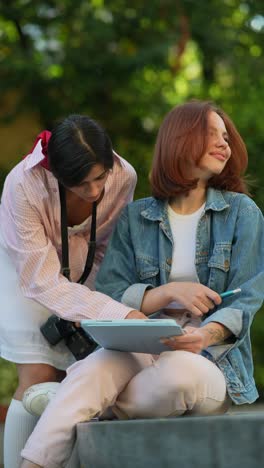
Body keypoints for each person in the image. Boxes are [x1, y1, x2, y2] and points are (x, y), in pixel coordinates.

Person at [20, 100, 264, 468]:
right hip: (141, 352)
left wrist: (205, 335)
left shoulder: (242, 213)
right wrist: (163, 295)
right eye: (211, 134)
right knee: (99, 365)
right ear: (179, 141)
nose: (224, 144)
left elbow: (246, 299)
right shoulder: (136, 217)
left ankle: (71, 400)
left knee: (175, 374)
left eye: (226, 137)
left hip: (208, 362)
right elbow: (109, 294)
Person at [0, 114, 142, 468]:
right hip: (27, 272)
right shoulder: (23, 184)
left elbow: (112, 249)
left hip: (90, 272)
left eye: (99, 178)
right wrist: (117, 314)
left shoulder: (125, 176)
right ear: (56, 174)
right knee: (38, 375)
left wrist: (98, 301)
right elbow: (41, 280)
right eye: (80, 184)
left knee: (77, 376)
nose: (94, 192)